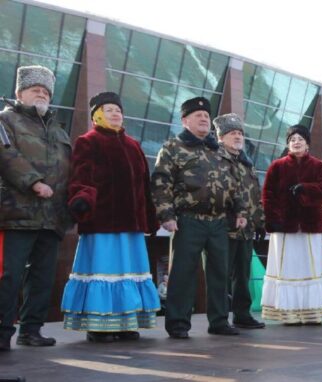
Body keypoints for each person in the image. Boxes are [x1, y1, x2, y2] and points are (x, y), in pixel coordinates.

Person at [61, 92, 160, 343]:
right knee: (103, 272)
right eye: (109, 110)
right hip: (102, 222)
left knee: (129, 273)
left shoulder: (133, 145)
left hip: (132, 224)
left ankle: (126, 322)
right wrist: (81, 199)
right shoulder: (88, 141)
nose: (115, 114)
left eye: (118, 110)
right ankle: (99, 325)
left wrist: (149, 216)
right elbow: (80, 177)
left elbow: (144, 186)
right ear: (96, 115)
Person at [152, 97, 247, 337]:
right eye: (198, 115)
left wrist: (240, 210)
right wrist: (166, 214)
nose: (204, 118)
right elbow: (161, 182)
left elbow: (233, 183)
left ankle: (219, 321)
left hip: (218, 221)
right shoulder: (173, 147)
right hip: (187, 219)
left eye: (206, 115)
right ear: (185, 121)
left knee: (219, 274)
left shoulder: (219, 150)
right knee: (183, 273)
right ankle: (178, 324)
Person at [0, 65, 72, 351]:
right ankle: (2, 332)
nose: (41, 94)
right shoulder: (6, 121)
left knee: (43, 276)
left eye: (45, 91)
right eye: (35, 90)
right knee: (9, 275)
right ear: (19, 93)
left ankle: (32, 330)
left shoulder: (57, 129)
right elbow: (6, 155)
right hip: (16, 213)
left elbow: (69, 170)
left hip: (52, 217)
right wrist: (34, 182)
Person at [261, 124, 322, 324]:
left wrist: (305, 189)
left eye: (300, 139)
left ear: (307, 144)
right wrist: (271, 220)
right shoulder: (277, 166)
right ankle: (289, 313)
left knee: (311, 268)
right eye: (292, 139)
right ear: (287, 144)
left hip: (311, 226)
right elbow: (267, 195)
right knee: (288, 269)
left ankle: (312, 312)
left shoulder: (318, 166)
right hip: (284, 227)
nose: (296, 142)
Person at [214, 113, 266, 329]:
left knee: (243, 274)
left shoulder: (246, 162)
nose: (237, 137)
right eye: (232, 133)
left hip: (246, 229)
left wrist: (260, 221)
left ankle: (242, 315)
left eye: (240, 134)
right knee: (221, 275)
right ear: (220, 137)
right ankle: (219, 319)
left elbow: (255, 194)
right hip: (223, 227)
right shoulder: (215, 158)